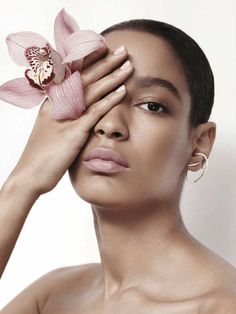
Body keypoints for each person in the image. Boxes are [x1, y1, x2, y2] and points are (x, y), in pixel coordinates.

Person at [0, 18, 236, 313]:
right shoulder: (50, 297)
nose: (110, 125)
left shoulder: (221, 305)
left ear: (199, 142)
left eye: (152, 105)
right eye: (94, 95)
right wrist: (22, 182)